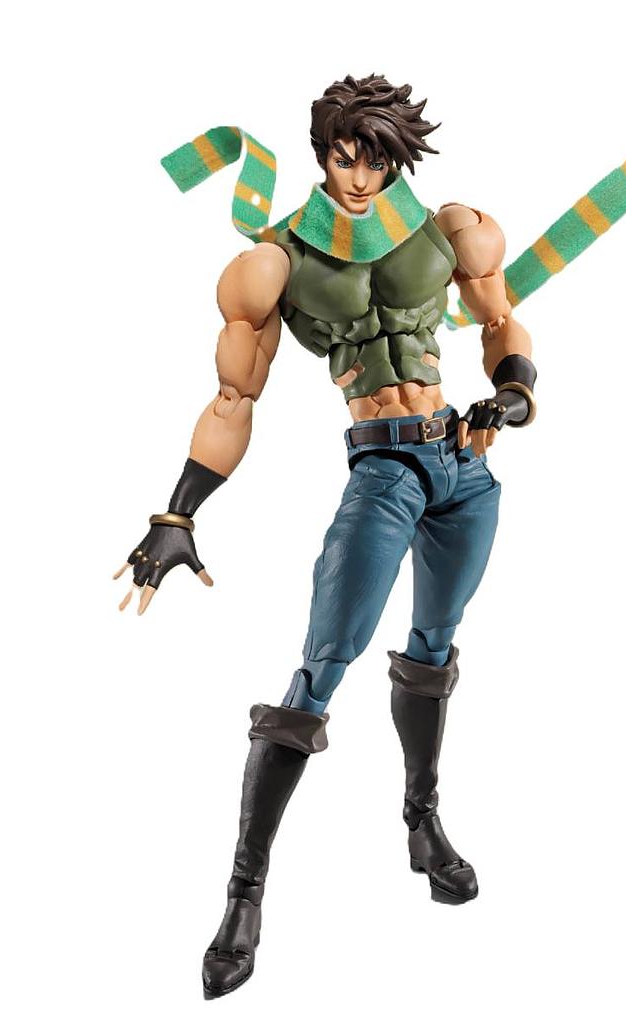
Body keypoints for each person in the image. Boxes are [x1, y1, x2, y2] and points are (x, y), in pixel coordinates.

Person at [115, 73, 538, 999]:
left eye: (375, 161)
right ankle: (244, 896)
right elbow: (234, 396)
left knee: (434, 648)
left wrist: (513, 393)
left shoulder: (451, 230)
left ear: (397, 161)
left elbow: (504, 325)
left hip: (463, 466)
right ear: (322, 155)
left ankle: (422, 822)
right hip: (382, 469)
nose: (358, 178)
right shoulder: (278, 263)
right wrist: (178, 511)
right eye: (344, 158)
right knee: (319, 671)